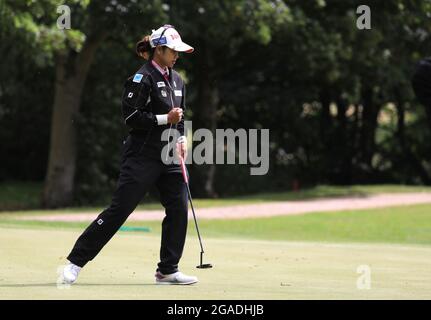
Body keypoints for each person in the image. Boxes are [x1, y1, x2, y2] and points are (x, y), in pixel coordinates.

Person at [61, 25, 198, 285]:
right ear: (159, 50)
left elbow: (180, 117)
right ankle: (75, 262)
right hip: (142, 155)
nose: (177, 56)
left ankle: (168, 269)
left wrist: (181, 137)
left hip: (169, 154)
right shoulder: (141, 78)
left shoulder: (178, 80)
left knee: (179, 207)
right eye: (173, 51)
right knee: (120, 209)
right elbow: (131, 117)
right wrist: (163, 119)